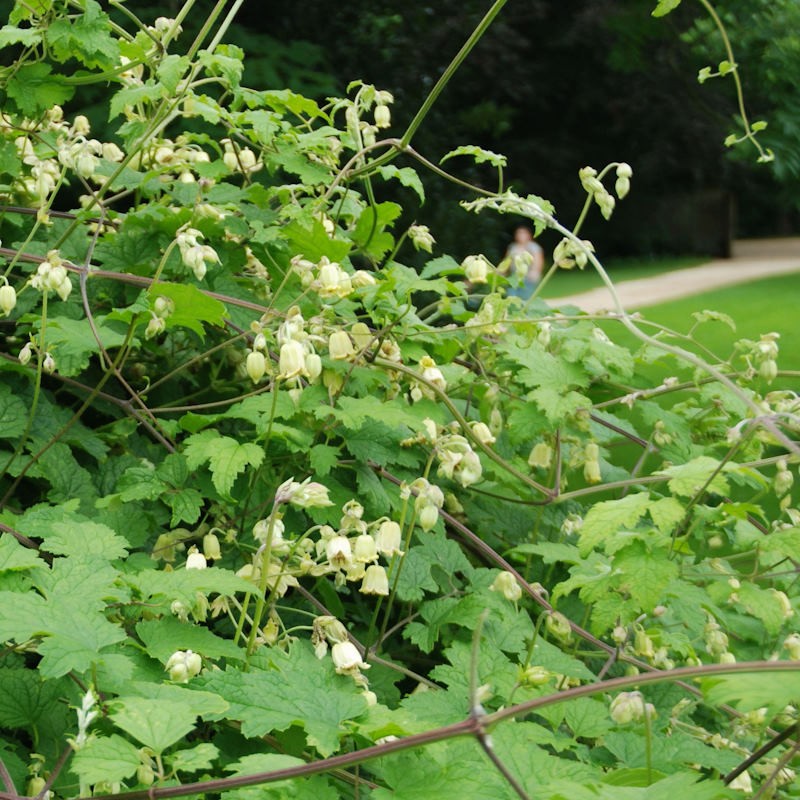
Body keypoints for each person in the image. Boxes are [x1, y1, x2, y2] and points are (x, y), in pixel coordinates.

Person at [504, 225, 544, 301]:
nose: (520, 236)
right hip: (514, 276)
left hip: (528, 276)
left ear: (528, 235)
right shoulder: (513, 247)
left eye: (523, 233)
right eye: (518, 233)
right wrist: (503, 272)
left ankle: (525, 311)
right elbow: (507, 261)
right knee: (511, 295)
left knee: (526, 297)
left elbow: (538, 260)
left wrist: (535, 271)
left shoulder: (533, 247)